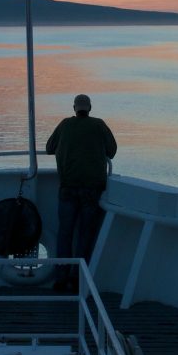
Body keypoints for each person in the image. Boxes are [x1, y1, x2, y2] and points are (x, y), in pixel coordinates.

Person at [45, 93, 117, 292]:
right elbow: (112, 151)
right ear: (90, 108)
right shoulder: (99, 125)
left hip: (67, 188)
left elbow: (49, 148)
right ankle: (78, 278)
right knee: (85, 234)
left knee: (65, 234)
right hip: (92, 190)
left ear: (74, 108)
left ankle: (61, 278)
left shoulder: (65, 124)